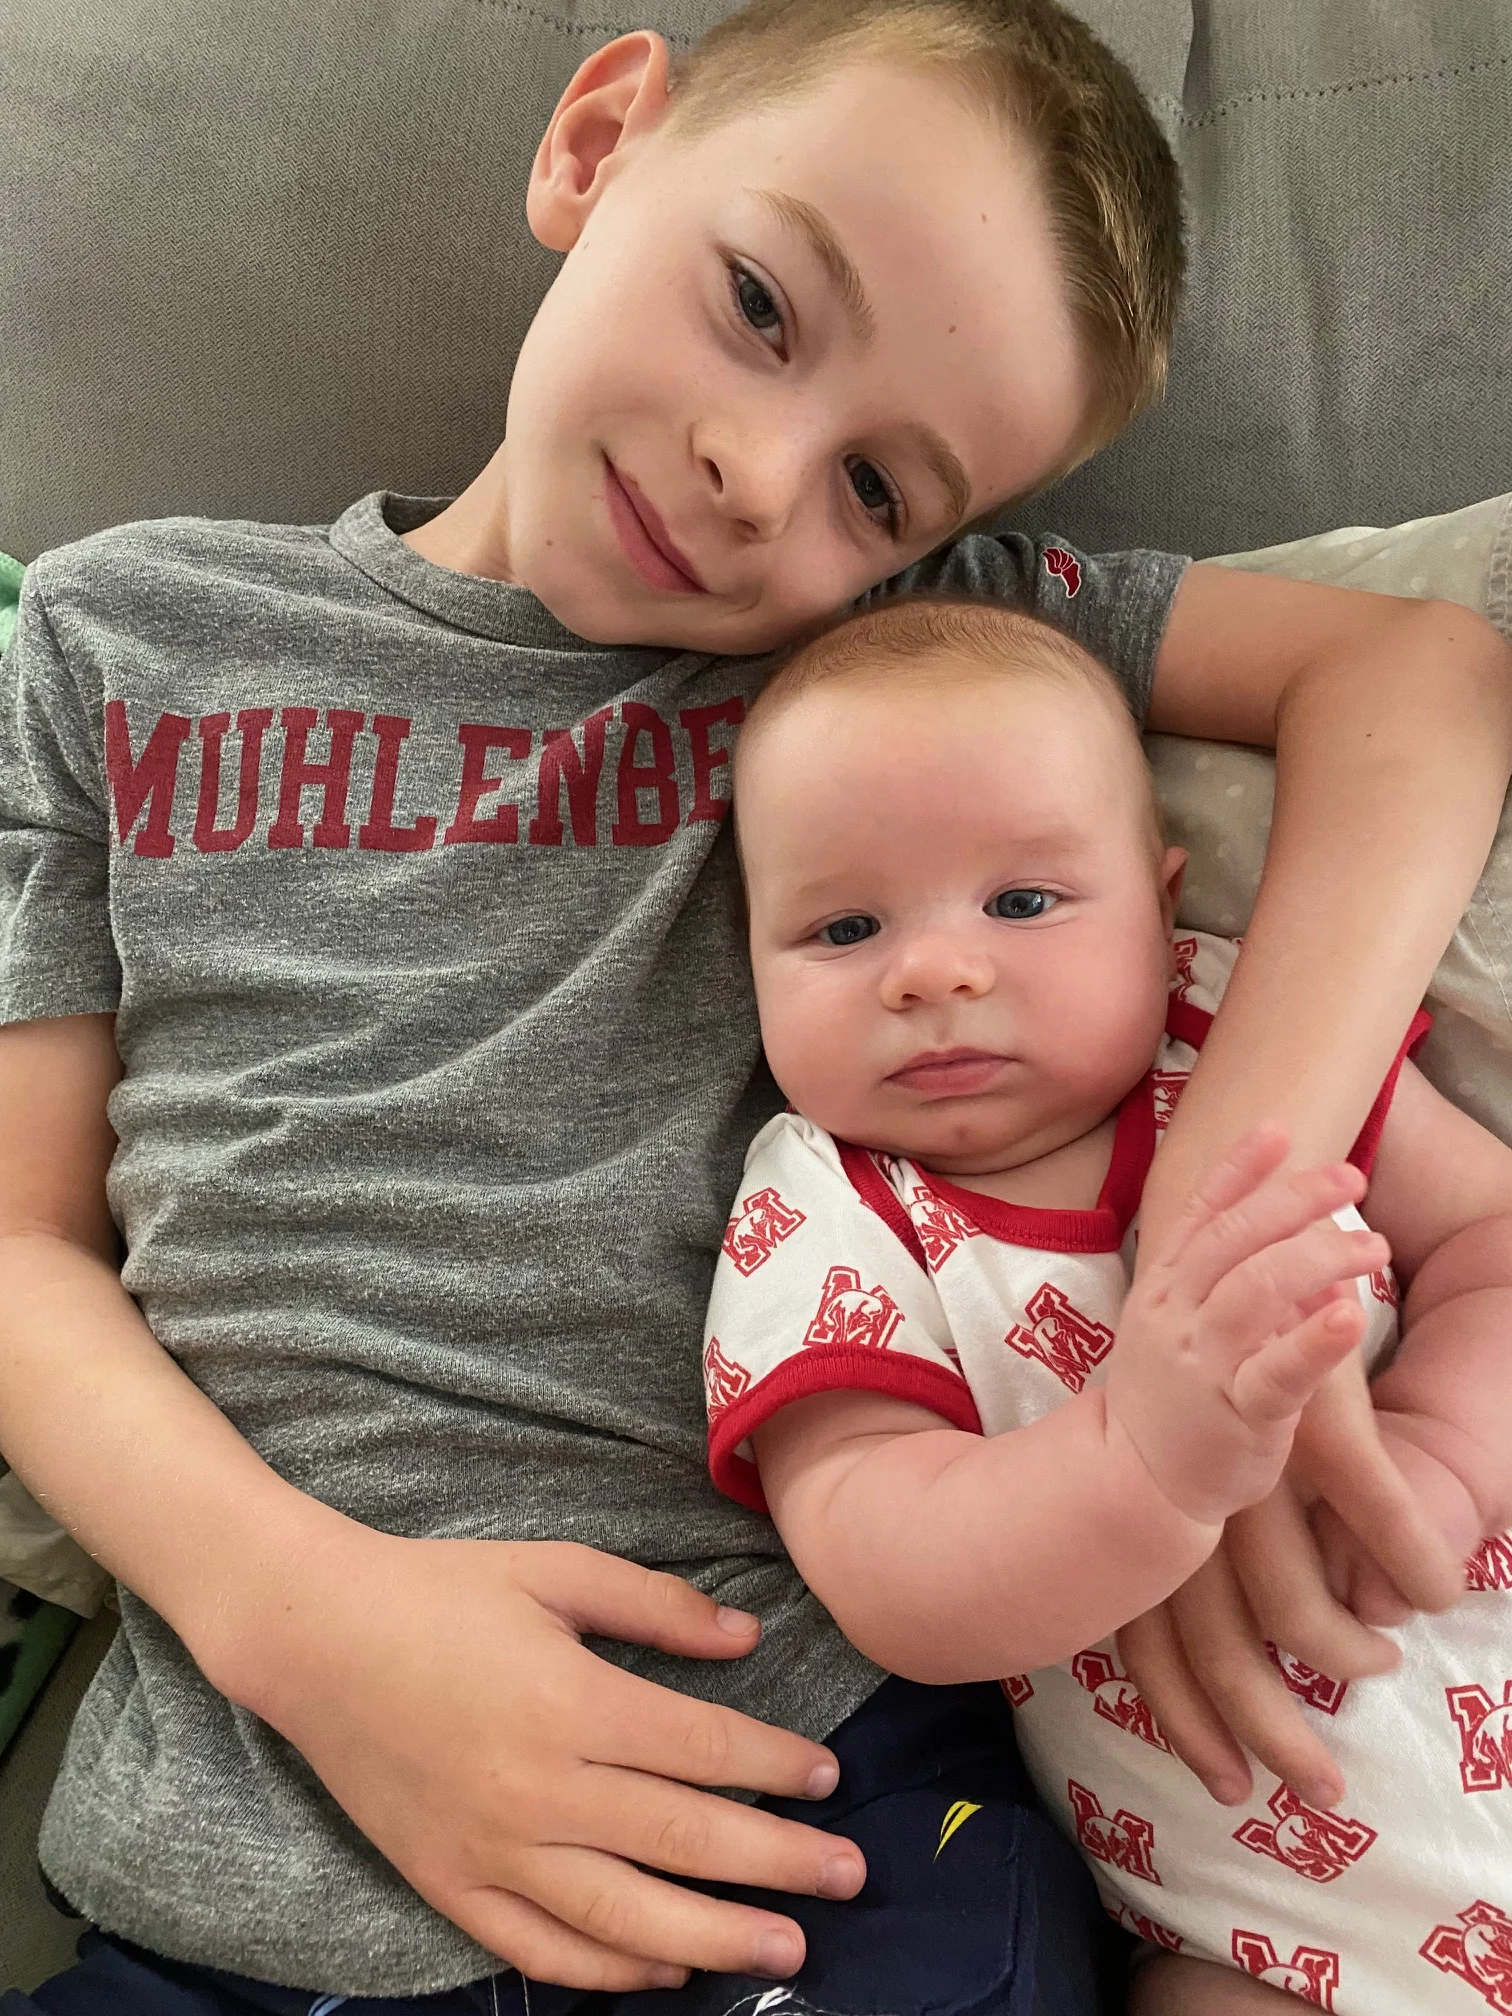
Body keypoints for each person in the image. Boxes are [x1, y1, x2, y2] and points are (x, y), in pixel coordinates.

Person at [1, 0, 1510, 2007]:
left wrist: (1225, 1194)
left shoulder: (887, 664)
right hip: (247, 1811)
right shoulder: (123, 635)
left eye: (882, 487)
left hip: (821, 1802)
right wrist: (302, 1623)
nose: (756, 475)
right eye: (760, 305)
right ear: (601, 137)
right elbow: (16, 1244)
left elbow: (1423, 678)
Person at [706, 592, 1512, 2015]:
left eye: (1023, 903)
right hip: (1266, 1945)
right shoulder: (826, 1206)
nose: (934, 971)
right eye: (842, 927)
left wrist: (1442, 1452)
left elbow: (1493, 1242)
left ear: (1162, 897)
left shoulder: (1237, 1037)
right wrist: (1136, 1462)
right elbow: (882, 1560)